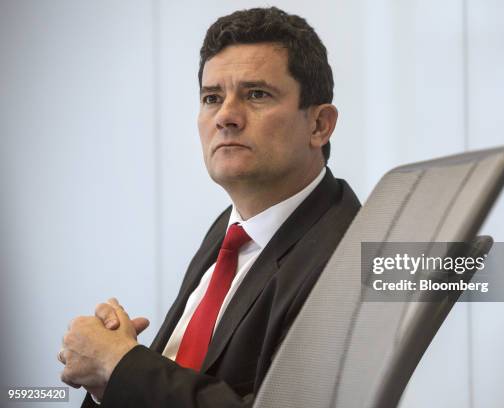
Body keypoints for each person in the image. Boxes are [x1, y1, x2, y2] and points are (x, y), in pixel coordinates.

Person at [58, 7, 360, 407]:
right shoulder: (229, 229)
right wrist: (105, 378)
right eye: (212, 98)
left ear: (319, 125)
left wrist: (119, 364)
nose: (227, 116)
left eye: (256, 94)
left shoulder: (349, 255)